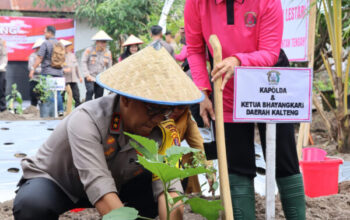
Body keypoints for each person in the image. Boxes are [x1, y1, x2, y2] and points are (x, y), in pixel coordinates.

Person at [13, 43, 204, 220]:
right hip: (60, 184)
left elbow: (169, 192)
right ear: (126, 100)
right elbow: (100, 189)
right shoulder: (88, 119)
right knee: (32, 205)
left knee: (171, 177)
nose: (158, 118)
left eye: (166, 111)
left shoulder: (162, 128)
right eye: (152, 109)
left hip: (116, 184)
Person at [185, 1, 306, 219]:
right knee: (236, 162)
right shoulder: (196, 3)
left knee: (283, 157)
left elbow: (269, 53)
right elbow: (194, 50)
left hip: (270, 82)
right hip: (225, 87)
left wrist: (239, 60)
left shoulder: (267, 2)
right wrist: (202, 91)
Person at [29, 25, 65, 116]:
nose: (44, 34)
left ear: (49, 33)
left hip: (48, 72)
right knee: (58, 92)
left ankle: (51, 111)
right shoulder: (60, 44)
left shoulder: (46, 43)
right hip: (59, 72)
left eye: (45, 32)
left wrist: (33, 69)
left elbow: (40, 57)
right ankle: (60, 110)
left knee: (48, 92)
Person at [81, 30, 113, 101]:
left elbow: (109, 67)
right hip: (89, 76)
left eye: (104, 42)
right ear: (97, 42)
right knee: (90, 90)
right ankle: (87, 108)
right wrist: (87, 75)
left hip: (100, 78)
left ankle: (97, 111)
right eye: (101, 42)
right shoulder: (89, 50)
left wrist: (108, 78)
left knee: (99, 95)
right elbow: (83, 62)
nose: (103, 44)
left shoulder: (108, 53)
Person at [60, 39, 83, 107]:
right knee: (62, 95)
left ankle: (77, 108)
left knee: (76, 94)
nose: (67, 48)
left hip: (73, 79)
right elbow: (57, 68)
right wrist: (63, 70)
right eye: (65, 47)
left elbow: (76, 67)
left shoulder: (72, 55)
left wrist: (80, 77)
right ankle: (62, 109)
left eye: (68, 46)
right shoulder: (60, 57)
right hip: (64, 79)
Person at [27, 39, 44, 108]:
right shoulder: (33, 56)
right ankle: (33, 109)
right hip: (35, 79)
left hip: (43, 80)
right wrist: (40, 69)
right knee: (33, 95)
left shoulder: (45, 56)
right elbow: (30, 67)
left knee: (44, 96)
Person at [0, 37, 8, 112]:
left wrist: (2, 66)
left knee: (1, 89)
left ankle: (2, 108)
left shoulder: (2, 42)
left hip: (1, 70)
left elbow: (4, 56)